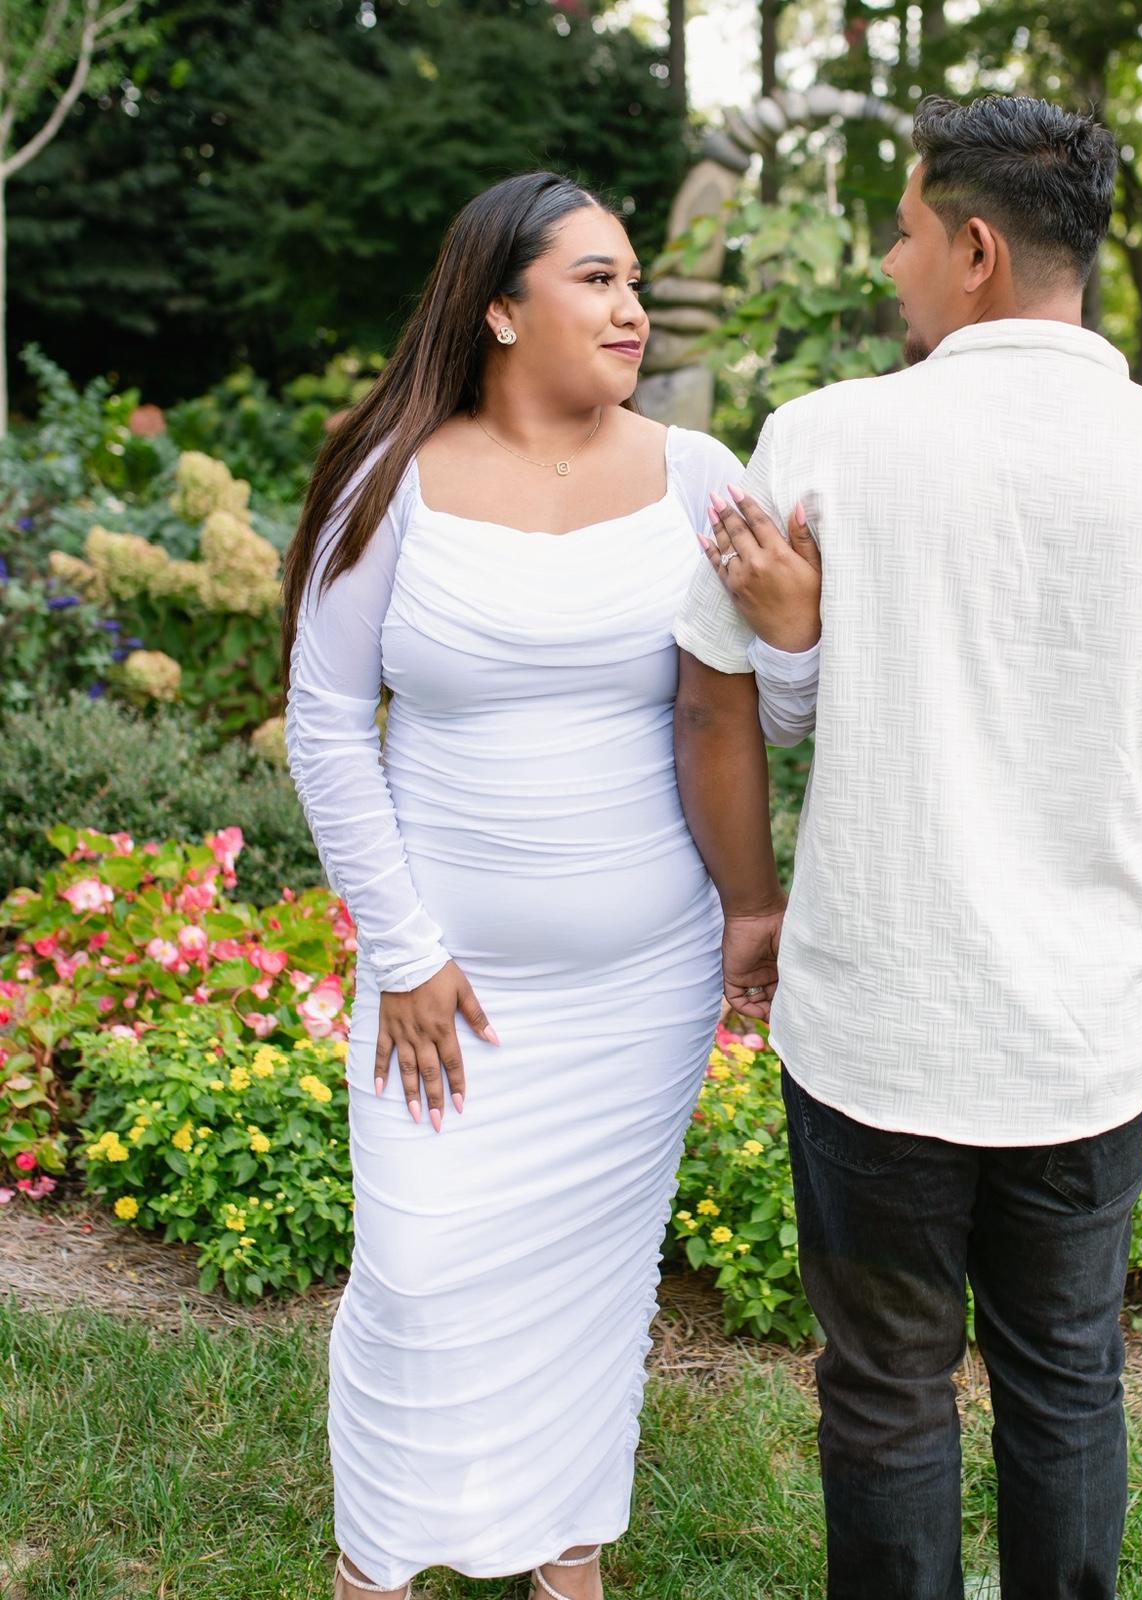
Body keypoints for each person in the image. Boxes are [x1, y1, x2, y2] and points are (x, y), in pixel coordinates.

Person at [672, 95, 1142, 1600]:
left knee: (885, 1385)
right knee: (1068, 1377)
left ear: (972, 249)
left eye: (901, 235)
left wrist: (751, 906)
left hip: (873, 1017)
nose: (889, 265)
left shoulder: (826, 438)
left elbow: (712, 704)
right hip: (1078, 1030)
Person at [281, 171, 816, 1600]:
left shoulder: (698, 478)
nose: (631, 307)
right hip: (444, 985)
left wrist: (795, 633)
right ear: (501, 310)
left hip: (640, 985)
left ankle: (565, 1561)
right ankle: (377, 1565)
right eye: (596, 279)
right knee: (413, 1277)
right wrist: (402, 955)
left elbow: (772, 716)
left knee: (594, 1284)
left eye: (633, 281)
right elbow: (325, 723)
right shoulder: (391, 477)